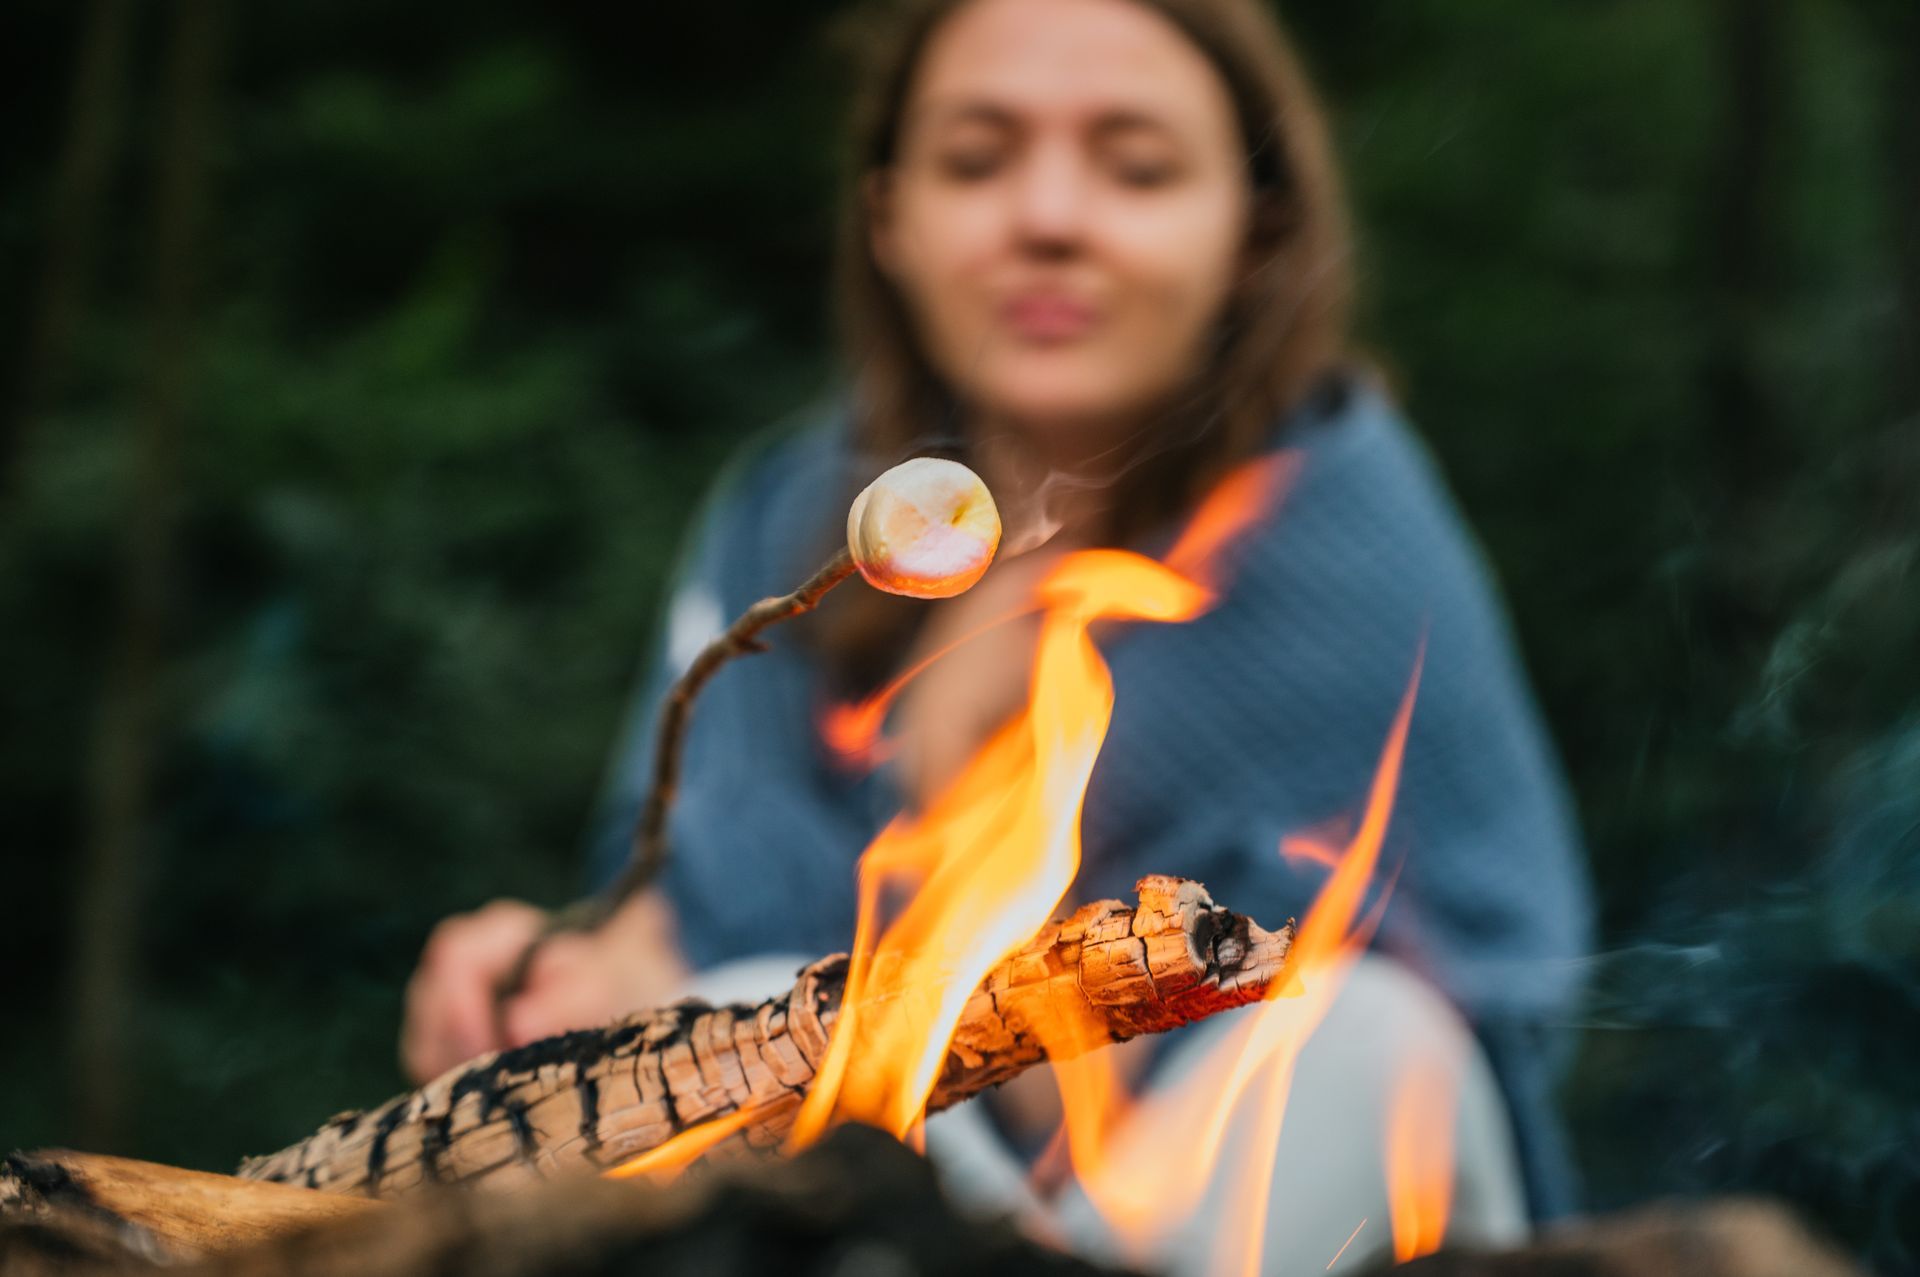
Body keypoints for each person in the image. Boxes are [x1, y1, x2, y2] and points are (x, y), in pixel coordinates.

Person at [400, 0, 1592, 1268]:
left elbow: (1427, 1027)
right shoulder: (787, 523)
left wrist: (963, 800)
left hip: (1267, 1212)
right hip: (876, 1215)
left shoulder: (1345, 541)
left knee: (1358, 1032)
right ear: (889, 219)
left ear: (1258, 229)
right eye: (978, 160)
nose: (1049, 219)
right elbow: (681, 925)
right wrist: (555, 976)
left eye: (1136, 167)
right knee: (730, 1035)